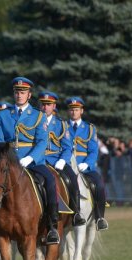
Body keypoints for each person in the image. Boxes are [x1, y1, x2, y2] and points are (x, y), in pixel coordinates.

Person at [0, 77, 60, 245]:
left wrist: (30, 157)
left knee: (49, 181)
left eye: (23, 92)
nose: (19, 95)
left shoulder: (38, 115)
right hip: (8, 162)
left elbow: (42, 141)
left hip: (32, 162)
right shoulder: (4, 115)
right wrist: (4, 158)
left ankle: (52, 226)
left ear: (29, 94)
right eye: (17, 92)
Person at [39, 91, 86, 227]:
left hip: (56, 160)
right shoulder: (33, 122)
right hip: (38, 161)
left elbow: (67, 148)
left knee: (71, 178)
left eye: (48, 104)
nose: (45, 107)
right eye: (43, 104)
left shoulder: (61, 124)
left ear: (54, 106)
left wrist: (62, 160)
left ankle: (76, 212)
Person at [66, 96, 109, 230]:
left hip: (85, 167)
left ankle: (100, 217)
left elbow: (94, 151)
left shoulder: (90, 129)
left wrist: (86, 164)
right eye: (72, 109)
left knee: (100, 186)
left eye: (77, 109)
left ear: (82, 111)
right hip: (67, 166)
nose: (74, 112)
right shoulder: (63, 126)